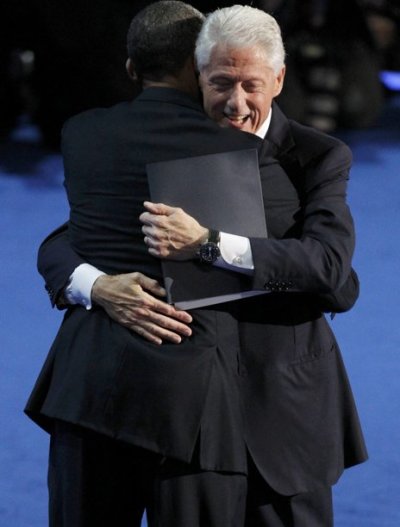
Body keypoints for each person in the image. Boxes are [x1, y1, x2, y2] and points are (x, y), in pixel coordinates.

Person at [27, 3, 367, 526]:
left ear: (278, 79)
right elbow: (68, 238)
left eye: (251, 85)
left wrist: (209, 244)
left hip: (280, 407)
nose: (235, 103)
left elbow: (333, 278)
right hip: (186, 410)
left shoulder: (311, 158)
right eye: (220, 83)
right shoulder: (170, 143)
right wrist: (95, 284)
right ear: (197, 76)